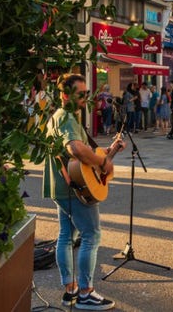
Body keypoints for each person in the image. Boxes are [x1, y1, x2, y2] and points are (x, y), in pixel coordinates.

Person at [43, 74, 125, 310]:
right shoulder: (67, 117)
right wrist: (102, 163)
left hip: (63, 186)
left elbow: (83, 158)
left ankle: (70, 290)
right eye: (81, 94)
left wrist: (109, 152)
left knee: (66, 236)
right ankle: (87, 293)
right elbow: (76, 149)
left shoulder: (59, 117)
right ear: (66, 95)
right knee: (91, 235)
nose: (85, 98)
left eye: (87, 94)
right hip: (74, 188)